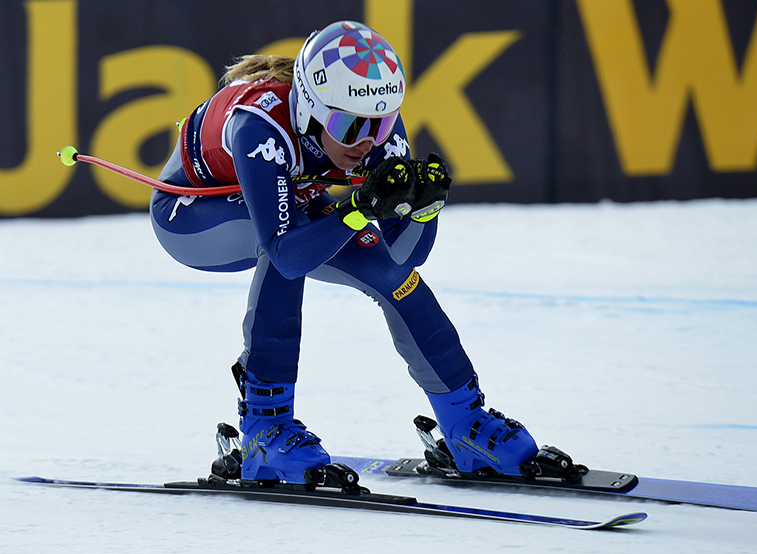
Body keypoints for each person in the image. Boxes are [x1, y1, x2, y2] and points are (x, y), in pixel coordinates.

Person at [150, 20, 540, 483]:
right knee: (278, 247)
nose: (367, 141)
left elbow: (401, 262)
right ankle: (263, 428)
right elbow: (287, 253)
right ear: (312, 112)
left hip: (295, 205)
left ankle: (464, 421)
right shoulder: (260, 127)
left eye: (382, 121)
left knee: (391, 279)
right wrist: (355, 209)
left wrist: (422, 211)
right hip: (192, 212)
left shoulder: (377, 133)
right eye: (350, 125)